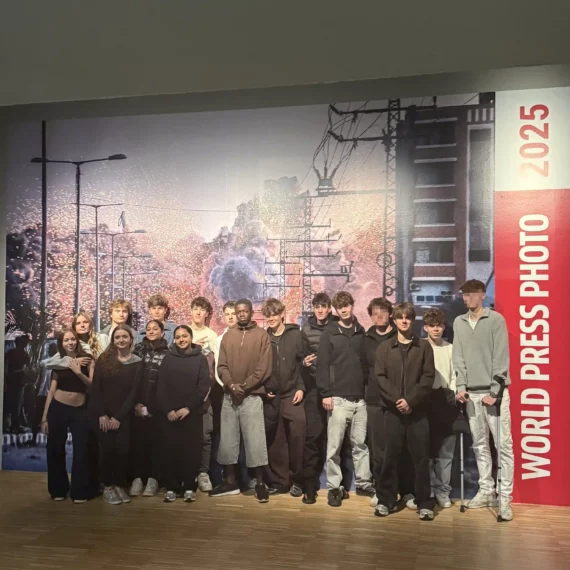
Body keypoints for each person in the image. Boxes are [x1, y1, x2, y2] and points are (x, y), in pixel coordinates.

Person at [454, 279, 514, 521]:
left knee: (504, 446)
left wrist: (495, 391)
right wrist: (460, 386)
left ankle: (505, 499)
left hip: (494, 394)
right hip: (471, 394)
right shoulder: (459, 322)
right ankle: (487, 491)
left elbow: (501, 357)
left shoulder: (496, 320)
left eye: (472, 293)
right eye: (464, 294)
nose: (467, 298)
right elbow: (458, 357)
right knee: (479, 445)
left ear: (482, 295)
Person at [374, 302, 436, 521]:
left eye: (408, 317)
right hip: (392, 411)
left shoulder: (424, 347)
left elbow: (428, 378)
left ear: (412, 320)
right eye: (400, 317)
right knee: (390, 457)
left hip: (417, 411)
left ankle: (424, 503)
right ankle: (386, 501)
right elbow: (380, 377)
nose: (404, 321)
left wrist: (410, 401)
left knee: (421, 459)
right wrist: (397, 401)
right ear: (394, 320)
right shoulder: (384, 348)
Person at [212, 298, 273, 503]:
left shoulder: (262, 335)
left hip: (252, 396)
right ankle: (230, 482)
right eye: (238, 311)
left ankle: (260, 483)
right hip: (230, 396)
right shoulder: (228, 336)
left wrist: (245, 386)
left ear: (251, 312)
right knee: (228, 441)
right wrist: (231, 385)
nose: (241, 314)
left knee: (256, 441)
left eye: (245, 311)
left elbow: (264, 368)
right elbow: (221, 366)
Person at [317, 291, 374, 507]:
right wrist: (326, 393)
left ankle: (364, 483)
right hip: (338, 399)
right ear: (335, 309)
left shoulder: (361, 331)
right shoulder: (329, 333)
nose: (343, 309)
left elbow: (366, 365)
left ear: (352, 305)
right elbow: (322, 364)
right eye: (339, 306)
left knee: (360, 445)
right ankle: (334, 487)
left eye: (346, 305)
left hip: (360, 399)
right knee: (334, 447)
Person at [362, 297, 416, 510]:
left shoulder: (401, 336)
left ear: (390, 315)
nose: (379, 316)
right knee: (379, 450)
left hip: (399, 401)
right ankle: (382, 490)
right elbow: (363, 369)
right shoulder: (365, 339)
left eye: (383, 312)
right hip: (375, 401)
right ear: (370, 316)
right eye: (375, 313)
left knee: (403, 448)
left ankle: (407, 491)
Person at [301, 292, 354, 505]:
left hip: (339, 389)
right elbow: (300, 357)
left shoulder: (338, 326)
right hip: (314, 389)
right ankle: (310, 487)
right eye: (317, 307)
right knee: (313, 438)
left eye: (324, 306)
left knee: (340, 441)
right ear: (313, 309)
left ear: (330, 308)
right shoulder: (306, 329)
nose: (321, 310)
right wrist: (304, 362)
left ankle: (342, 486)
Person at [89, 325, 142, 505]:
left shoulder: (137, 362)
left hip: (123, 416)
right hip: (103, 415)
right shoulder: (104, 360)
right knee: (107, 451)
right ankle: (108, 487)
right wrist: (102, 414)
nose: (121, 340)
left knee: (122, 451)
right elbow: (96, 388)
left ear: (131, 339)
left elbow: (134, 393)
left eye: (124, 336)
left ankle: (119, 485)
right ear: (113, 340)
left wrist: (119, 417)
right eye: (117, 337)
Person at [157, 325, 211, 503]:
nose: (181, 340)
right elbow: (161, 386)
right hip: (171, 414)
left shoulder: (200, 359)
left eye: (185, 336)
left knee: (191, 451)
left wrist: (188, 408)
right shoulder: (168, 358)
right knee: (170, 451)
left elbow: (203, 386)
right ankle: (172, 487)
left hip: (191, 413)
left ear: (191, 337)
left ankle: (189, 486)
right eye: (178, 337)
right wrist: (168, 410)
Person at [41, 330, 95, 503]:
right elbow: (51, 391)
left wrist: (78, 371)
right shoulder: (58, 362)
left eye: (73, 339)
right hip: (58, 408)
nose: (70, 342)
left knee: (82, 450)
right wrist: (44, 418)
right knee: (55, 449)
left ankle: (80, 491)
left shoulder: (87, 359)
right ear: (62, 344)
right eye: (66, 340)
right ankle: (58, 489)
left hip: (80, 410)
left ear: (77, 341)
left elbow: (92, 386)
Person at [261, 298, 306, 496]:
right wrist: (264, 389)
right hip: (272, 397)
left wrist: (301, 388)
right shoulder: (264, 338)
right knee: (276, 440)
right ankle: (280, 481)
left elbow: (304, 363)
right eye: (268, 315)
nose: (271, 318)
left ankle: (298, 481)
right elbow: (260, 367)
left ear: (282, 315)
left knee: (297, 437)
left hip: (292, 394)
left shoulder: (296, 335)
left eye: (274, 314)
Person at [129, 320, 169, 498]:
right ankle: (138, 478)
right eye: (148, 329)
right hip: (137, 405)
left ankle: (154, 479)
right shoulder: (137, 351)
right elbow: (131, 380)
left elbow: (167, 384)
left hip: (158, 407)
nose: (151, 331)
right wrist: (136, 404)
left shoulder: (169, 353)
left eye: (155, 329)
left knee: (156, 444)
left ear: (162, 332)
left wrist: (152, 407)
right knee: (138, 444)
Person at [423, 308, 456, 508]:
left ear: (444, 327)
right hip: (425, 401)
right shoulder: (420, 347)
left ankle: (443, 490)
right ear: (425, 327)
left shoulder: (451, 348)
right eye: (432, 325)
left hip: (446, 400)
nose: (436, 329)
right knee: (425, 450)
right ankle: (429, 488)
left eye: (439, 325)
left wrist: (452, 392)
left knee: (445, 451)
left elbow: (455, 374)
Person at [190, 296, 219, 494]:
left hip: (206, 394)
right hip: (184, 394)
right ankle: (188, 472)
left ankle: (203, 473)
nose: (198, 312)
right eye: (195, 309)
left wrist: (209, 389)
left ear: (207, 313)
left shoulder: (212, 335)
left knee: (205, 434)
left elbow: (215, 366)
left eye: (202, 309)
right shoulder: (184, 332)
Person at [4, 335, 32, 433]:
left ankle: (13, 425)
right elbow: (27, 369)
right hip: (19, 382)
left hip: (12, 381)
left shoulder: (10, 353)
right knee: (17, 404)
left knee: (12, 403)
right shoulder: (24, 355)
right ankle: (15, 426)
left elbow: (6, 369)